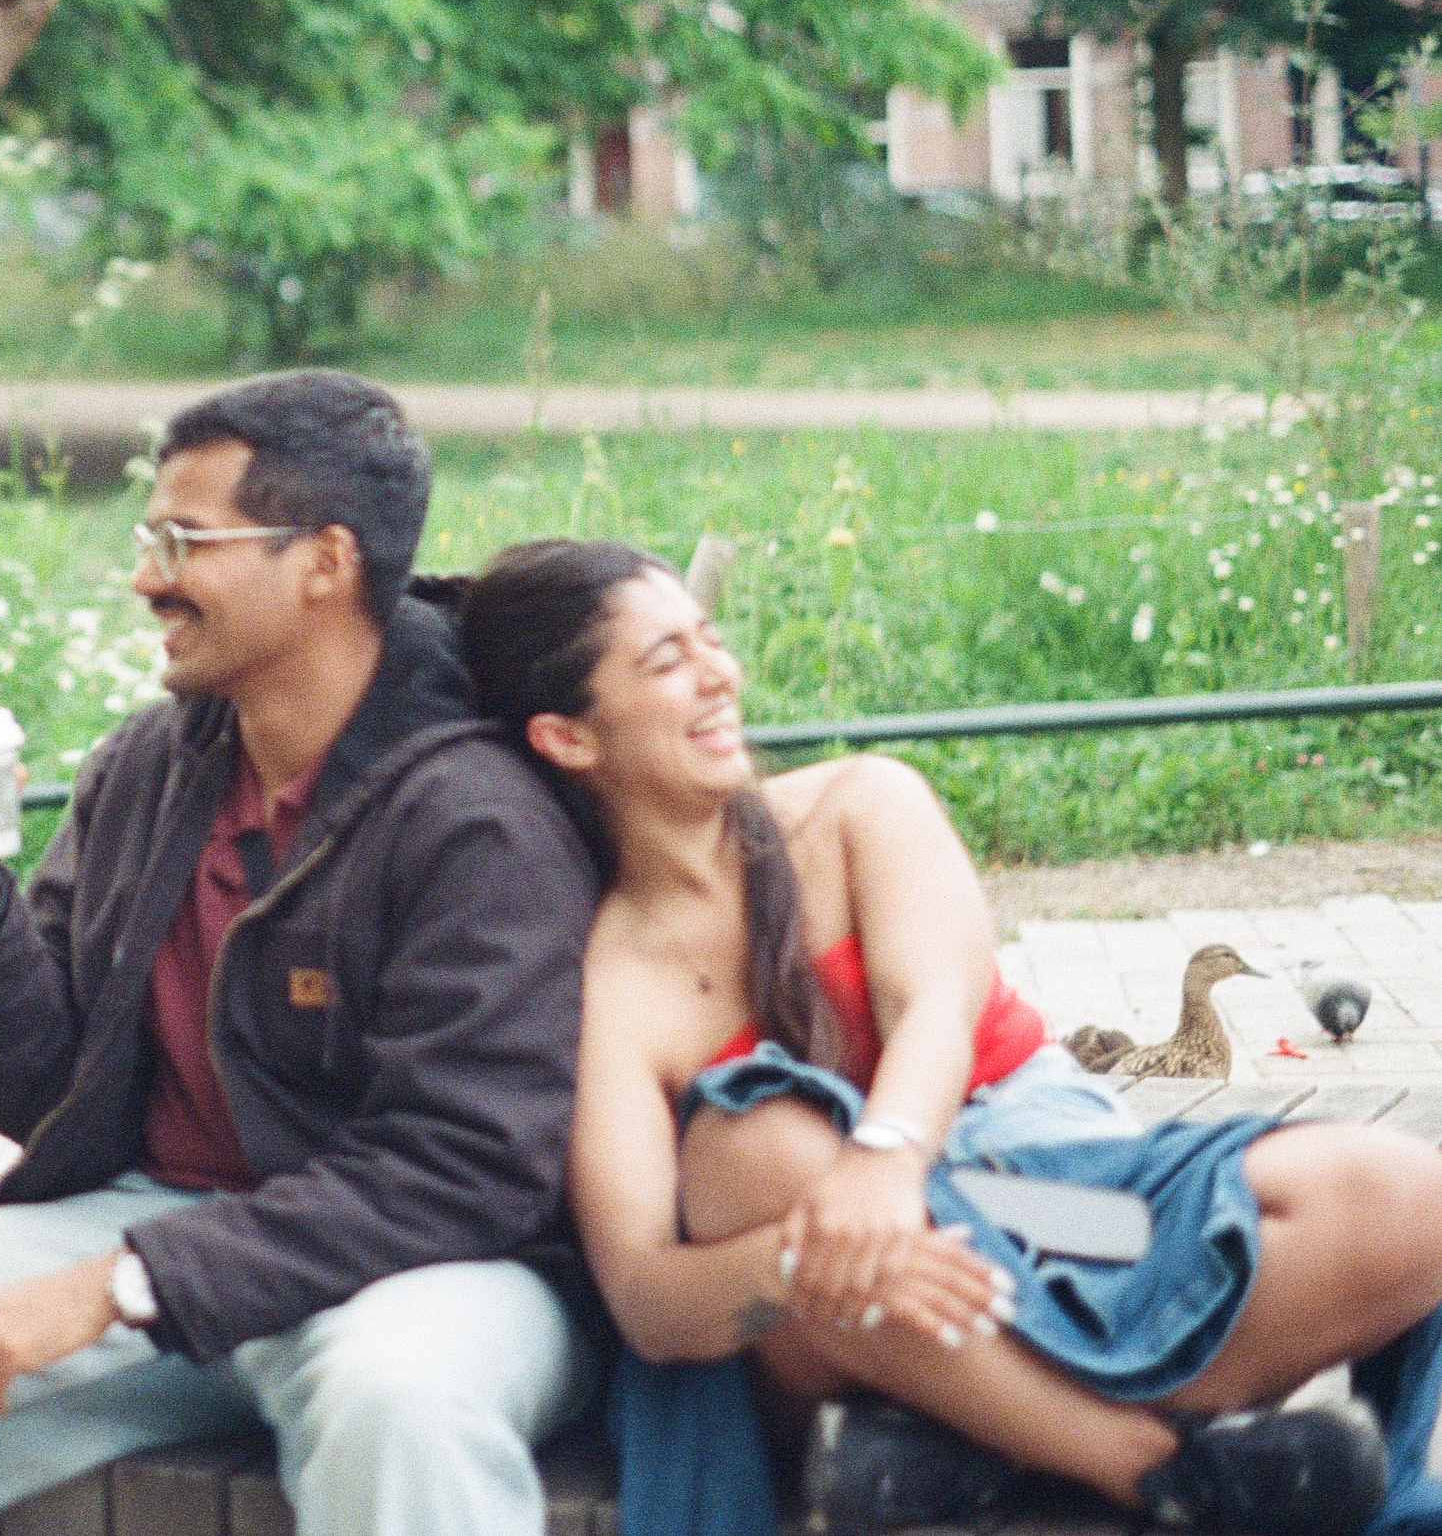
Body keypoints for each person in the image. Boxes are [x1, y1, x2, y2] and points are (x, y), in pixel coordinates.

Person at [0, 370, 605, 1536]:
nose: (145, 575)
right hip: (161, 1230)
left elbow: (464, 1167)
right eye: (147, 536)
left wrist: (127, 1279)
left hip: (433, 1266)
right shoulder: (149, 770)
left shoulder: (476, 814)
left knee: (394, 1399)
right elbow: (43, 1093)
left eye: (184, 540)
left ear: (323, 561)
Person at [454, 538, 1442, 1536]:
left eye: (708, 637)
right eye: (666, 661)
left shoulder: (858, 804)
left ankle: (963, 1448)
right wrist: (797, 1262)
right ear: (568, 737)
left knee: (1407, 1199)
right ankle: (1146, 1460)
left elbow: (936, 1004)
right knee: (749, 1147)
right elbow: (645, 1296)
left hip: (1056, 1205)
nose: (719, 672)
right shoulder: (615, 986)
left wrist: (887, 1162)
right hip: (853, 1300)